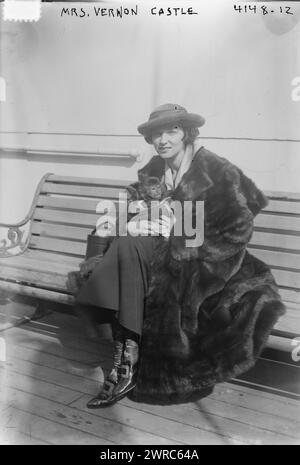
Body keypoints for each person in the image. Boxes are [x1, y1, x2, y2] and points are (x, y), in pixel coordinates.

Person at [75, 103, 285, 408]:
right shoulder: (154, 172)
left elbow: (237, 230)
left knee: (128, 250)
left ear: (186, 133)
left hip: (211, 263)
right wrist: (138, 220)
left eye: (171, 131)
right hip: (161, 254)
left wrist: (181, 231)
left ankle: (124, 359)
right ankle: (127, 361)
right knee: (129, 244)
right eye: (156, 134)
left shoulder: (216, 170)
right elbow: (127, 209)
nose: (163, 140)